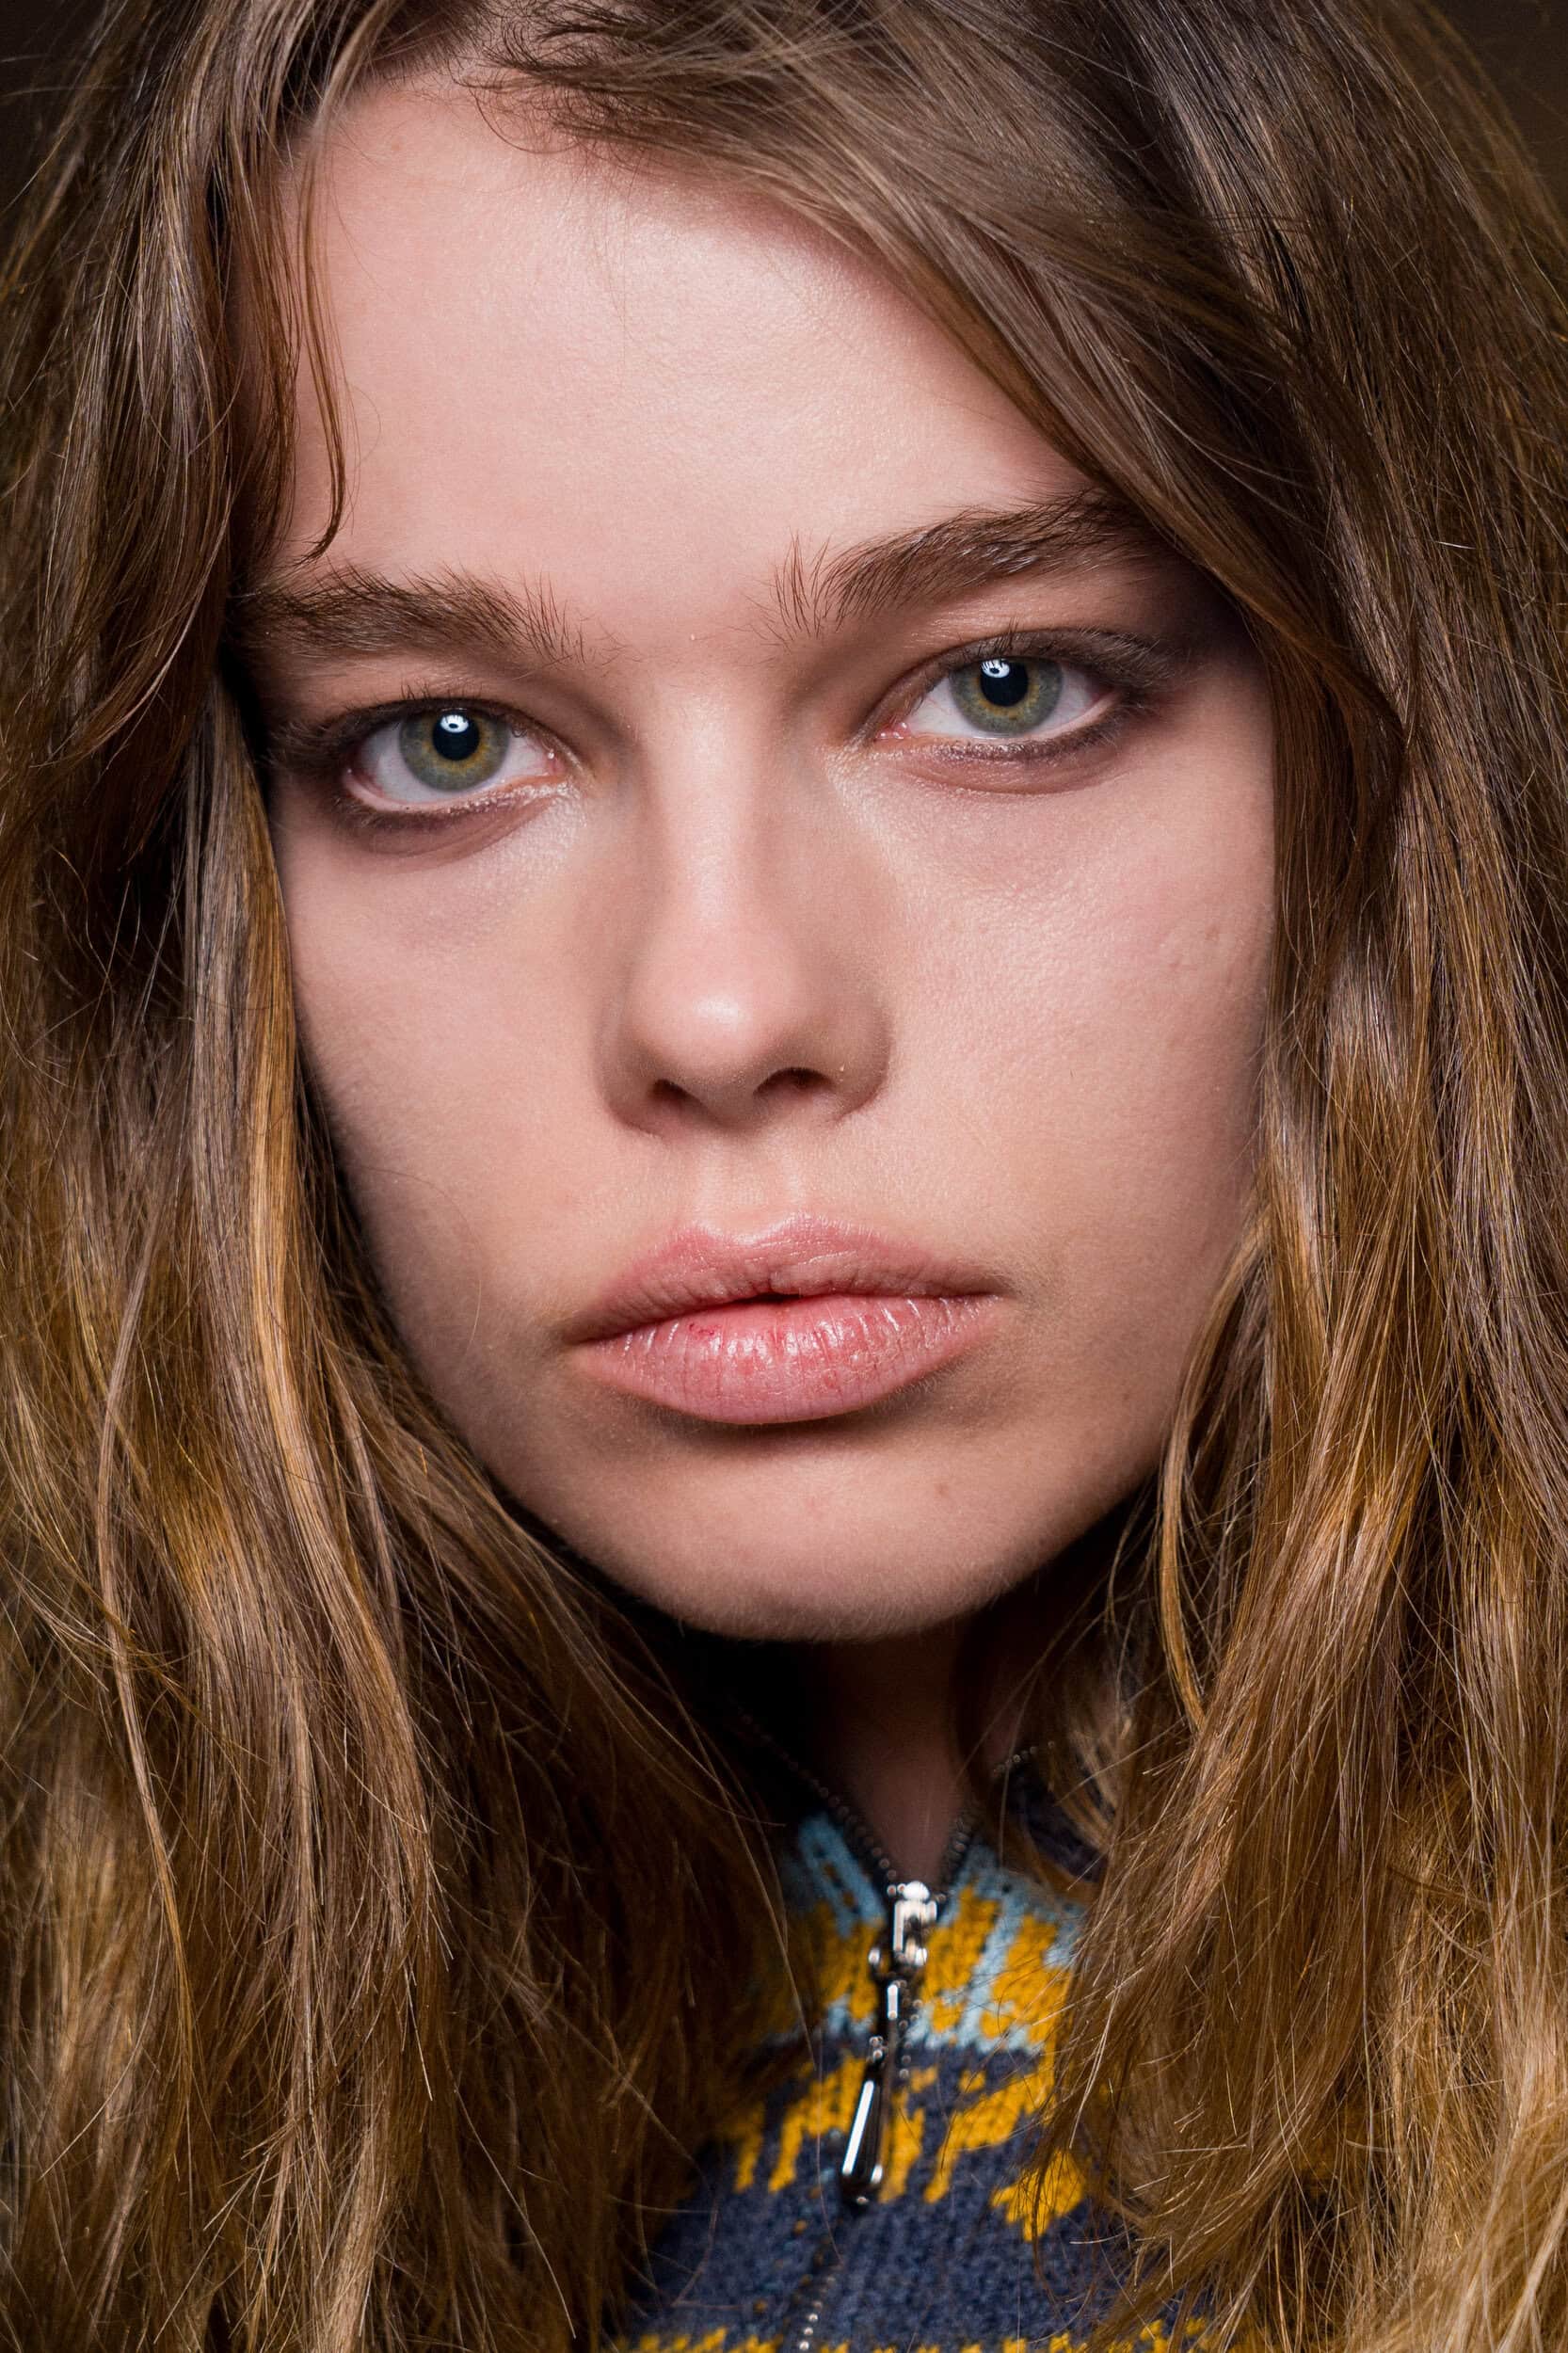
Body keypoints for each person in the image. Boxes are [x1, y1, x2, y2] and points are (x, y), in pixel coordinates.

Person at [3, 0, 1566, 2345]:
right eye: (444, 742)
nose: (720, 1007)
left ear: (1402, 748)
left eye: (1002, 686)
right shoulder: (96, 2064)